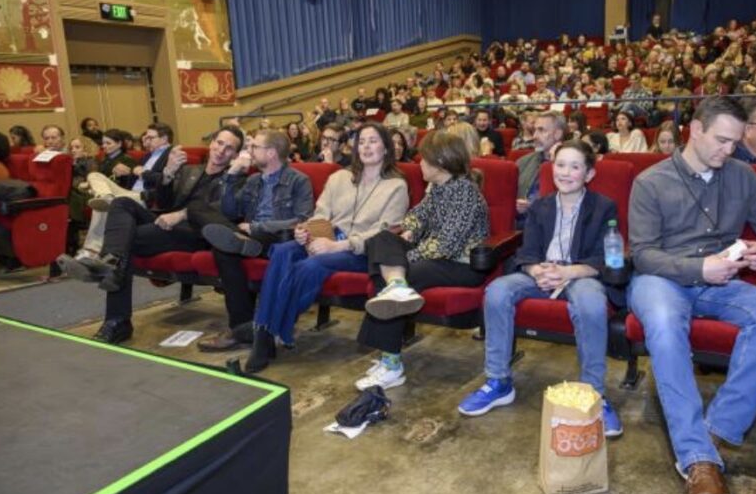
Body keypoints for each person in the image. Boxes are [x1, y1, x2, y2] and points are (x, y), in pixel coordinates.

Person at [627, 96, 756, 494]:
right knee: (664, 322)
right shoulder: (650, 181)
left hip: (720, 280)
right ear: (695, 130)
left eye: (736, 142)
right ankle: (698, 460)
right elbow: (643, 255)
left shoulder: (742, 175)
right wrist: (698, 268)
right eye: (721, 140)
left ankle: (716, 428)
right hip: (661, 279)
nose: (729, 150)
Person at [458, 140, 623, 436]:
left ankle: (594, 393)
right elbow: (528, 252)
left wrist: (567, 272)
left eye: (575, 167)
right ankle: (498, 381)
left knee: (590, 302)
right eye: (560, 165)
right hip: (542, 273)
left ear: (589, 174)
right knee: (497, 291)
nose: (565, 172)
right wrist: (537, 271)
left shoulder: (603, 207)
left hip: (580, 274)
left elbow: (604, 257)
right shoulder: (540, 207)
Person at [243, 123, 408, 372]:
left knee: (311, 265)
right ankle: (265, 331)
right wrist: (306, 232)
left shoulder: (396, 186)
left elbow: (384, 233)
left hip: (359, 250)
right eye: (362, 141)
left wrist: (338, 246)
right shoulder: (339, 178)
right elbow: (320, 214)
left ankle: (267, 331)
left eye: (373, 141)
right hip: (326, 239)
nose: (366, 147)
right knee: (283, 250)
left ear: (386, 148)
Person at [75, 126, 245, 344]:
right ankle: (111, 260)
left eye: (229, 148)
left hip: (195, 234)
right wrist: (167, 174)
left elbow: (220, 212)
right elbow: (164, 203)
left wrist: (181, 215)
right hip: (165, 224)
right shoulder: (190, 170)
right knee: (121, 203)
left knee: (126, 242)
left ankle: (116, 317)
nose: (221, 150)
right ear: (211, 142)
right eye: (219, 143)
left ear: (235, 155)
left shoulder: (234, 180)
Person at [352, 131, 491, 391]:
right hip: (435, 256)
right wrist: (410, 231)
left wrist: (402, 260)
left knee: (403, 271)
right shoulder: (439, 188)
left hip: (461, 265)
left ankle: (392, 363)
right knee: (381, 240)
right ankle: (397, 286)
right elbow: (416, 216)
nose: (420, 163)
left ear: (441, 163)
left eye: (424, 159)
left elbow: (446, 246)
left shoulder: (466, 194)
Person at [195, 129, 315, 351]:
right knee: (219, 243)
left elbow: (302, 220)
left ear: (271, 153)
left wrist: (256, 227)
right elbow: (230, 211)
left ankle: (239, 330)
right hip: (250, 235)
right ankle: (243, 328)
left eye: (254, 147)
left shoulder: (298, 180)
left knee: (231, 244)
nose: (248, 151)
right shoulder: (252, 180)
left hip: (280, 238)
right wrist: (232, 175)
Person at [58, 124, 176, 275]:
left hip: (145, 197)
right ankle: (105, 197)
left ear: (164, 139)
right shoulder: (146, 156)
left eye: (150, 138)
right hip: (130, 193)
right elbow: (134, 179)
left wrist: (142, 173)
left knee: (106, 205)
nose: (145, 140)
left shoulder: (173, 155)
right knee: (94, 176)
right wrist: (127, 173)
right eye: (145, 137)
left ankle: (91, 251)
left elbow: (169, 183)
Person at [515, 112, 565, 223]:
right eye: (535, 130)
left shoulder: (572, 165)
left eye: (541, 130)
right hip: (521, 225)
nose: (534, 136)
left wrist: (556, 162)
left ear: (557, 134)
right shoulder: (523, 162)